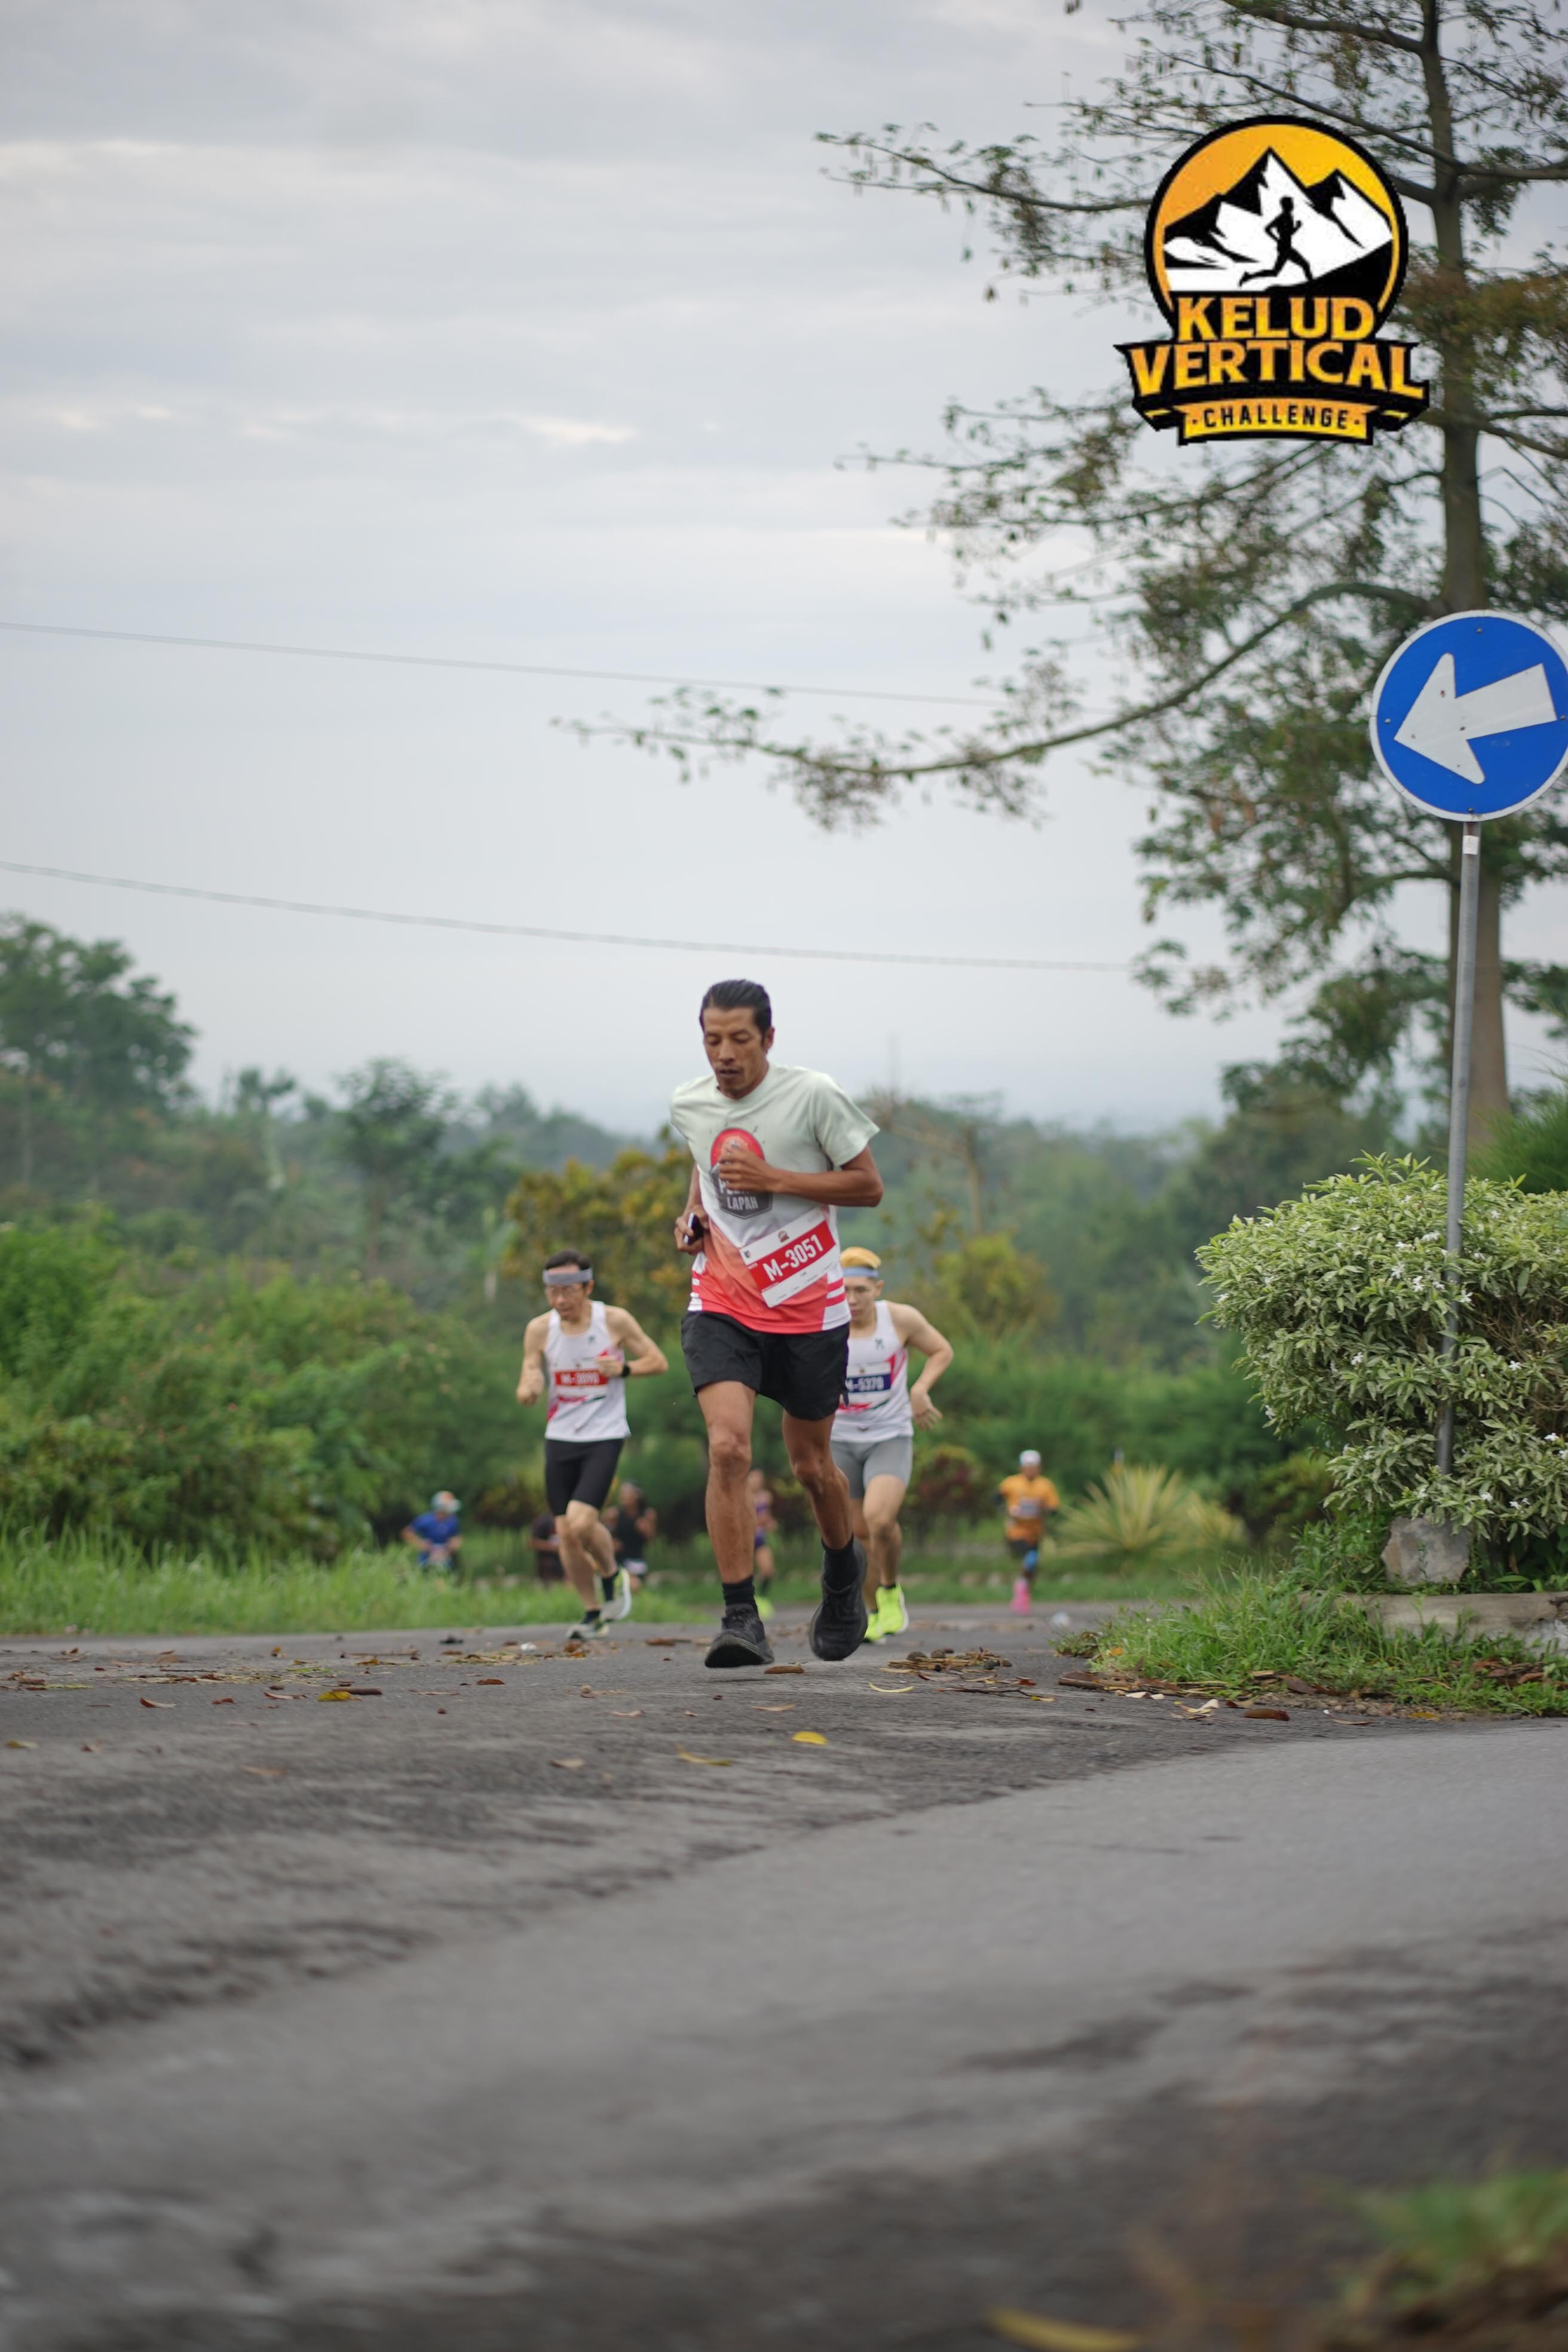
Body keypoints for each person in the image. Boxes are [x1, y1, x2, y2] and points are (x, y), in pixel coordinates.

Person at [669, 978, 883, 1669]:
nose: (724, 1054)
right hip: (723, 1299)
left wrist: (777, 1180)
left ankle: (842, 1573)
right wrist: (691, 1215)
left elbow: (867, 1185)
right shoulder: (688, 1103)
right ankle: (740, 1616)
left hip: (807, 1306)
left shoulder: (812, 1095)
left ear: (767, 1037)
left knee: (811, 1467)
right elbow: (703, 1169)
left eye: (738, 1039)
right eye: (712, 1040)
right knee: (728, 1448)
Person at [516, 1249, 669, 1641]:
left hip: (604, 1434)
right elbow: (529, 1371)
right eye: (552, 1291)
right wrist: (529, 1385)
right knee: (566, 1533)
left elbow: (658, 1360)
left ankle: (612, 1574)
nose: (560, 1299)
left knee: (582, 1521)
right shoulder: (539, 1329)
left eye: (569, 1290)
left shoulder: (613, 1321)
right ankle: (592, 1612)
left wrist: (625, 1368)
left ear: (588, 1288)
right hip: (560, 1437)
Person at [831, 1247, 953, 1644]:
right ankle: (871, 1613)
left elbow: (942, 1350)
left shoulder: (899, 1318)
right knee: (858, 1535)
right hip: (841, 1439)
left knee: (880, 1520)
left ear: (878, 1288)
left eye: (861, 1291)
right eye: (844, 1290)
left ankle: (889, 1589)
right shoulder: (825, 1320)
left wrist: (920, 1388)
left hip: (890, 1435)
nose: (852, 1300)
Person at [997, 1448, 1061, 1614]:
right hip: (1016, 1531)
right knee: (1031, 1559)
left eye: (1034, 1467)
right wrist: (1006, 1510)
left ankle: (1023, 1595)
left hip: (1036, 1532)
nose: (1031, 1470)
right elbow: (996, 1498)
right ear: (1022, 1467)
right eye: (1028, 1467)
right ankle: (1020, 1591)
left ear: (1039, 1468)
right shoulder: (1011, 1483)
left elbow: (1055, 1509)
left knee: (1033, 1567)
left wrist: (1044, 1508)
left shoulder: (1045, 1485)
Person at [605, 1481, 657, 1592]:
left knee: (634, 1585)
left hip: (637, 1561)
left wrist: (646, 1530)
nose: (625, 1498)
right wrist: (611, 1542)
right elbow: (601, 1530)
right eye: (623, 1495)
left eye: (628, 1495)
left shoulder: (647, 1514)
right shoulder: (614, 1514)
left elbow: (651, 1540)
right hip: (619, 1559)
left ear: (636, 1496)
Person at [746, 1466, 778, 1619]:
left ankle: (762, 1598)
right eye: (753, 1478)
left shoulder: (766, 1497)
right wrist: (758, 1521)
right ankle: (746, 1602)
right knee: (746, 1575)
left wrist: (770, 1523)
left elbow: (766, 1516)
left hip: (760, 1539)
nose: (756, 1481)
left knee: (768, 1571)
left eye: (759, 1478)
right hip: (745, 1541)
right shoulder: (742, 1497)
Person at [402, 1490, 463, 1571]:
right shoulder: (425, 1520)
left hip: (446, 1558)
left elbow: (457, 1537)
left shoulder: (452, 1520)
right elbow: (407, 1533)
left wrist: (453, 1545)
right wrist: (420, 1544)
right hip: (427, 1558)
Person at [528, 1506, 564, 1585]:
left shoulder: (566, 1519)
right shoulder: (543, 1521)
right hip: (547, 1567)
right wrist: (554, 1547)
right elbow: (532, 1542)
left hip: (563, 1566)